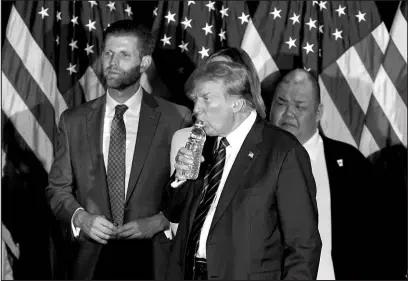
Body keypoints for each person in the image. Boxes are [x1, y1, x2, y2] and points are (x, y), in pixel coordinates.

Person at [45, 20, 192, 280]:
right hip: (91, 260)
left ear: (144, 63)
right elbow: (57, 189)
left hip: (154, 259)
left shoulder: (176, 118)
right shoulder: (73, 120)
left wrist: (161, 221)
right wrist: (80, 218)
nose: (113, 62)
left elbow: (191, 190)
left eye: (125, 54)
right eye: (109, 53)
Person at [163, 61, 322, 280]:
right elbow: (172, 213)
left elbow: (304, 245)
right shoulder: (202, 143)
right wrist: (180, 179)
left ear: (237, 104)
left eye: (206, 99)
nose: (196, 109)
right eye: (195, 100)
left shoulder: (283, 152)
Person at [270, 68, 381, 280]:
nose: (288, 113)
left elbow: (376, 238)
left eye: (299, 106)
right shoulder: (254, 160)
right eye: (281, 103)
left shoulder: (351, 164)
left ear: (318, 113)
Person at [170, 47, 266, 174]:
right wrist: (182, 179)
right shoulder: (186, 139)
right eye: (208, 72)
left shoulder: (273, 145)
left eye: (221, 73)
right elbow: (174, 192)